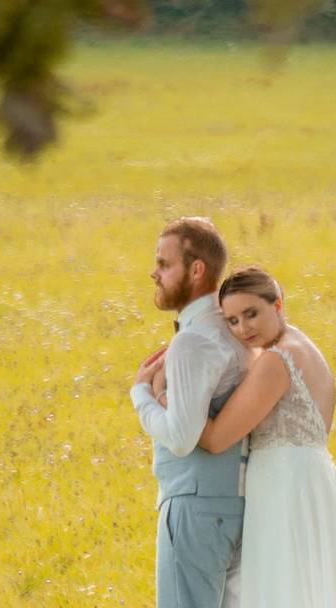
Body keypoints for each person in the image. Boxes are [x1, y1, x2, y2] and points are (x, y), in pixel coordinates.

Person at [138, 266, 336, 607]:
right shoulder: (306, 346)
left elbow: (214, 439)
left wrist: (158, 396)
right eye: (233, 321)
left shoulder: (275, 361)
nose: (243, 329)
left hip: (283, 489)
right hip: (316, 482)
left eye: (251, 314)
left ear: (278, 304)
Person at [129, 217, 250, 608]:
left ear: (196, 270)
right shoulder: (234, 332)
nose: (154, 273)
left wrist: (141, 395)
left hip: (194, 507)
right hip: (236, 502)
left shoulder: (193, 341)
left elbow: (182, 438)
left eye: (165, 264)